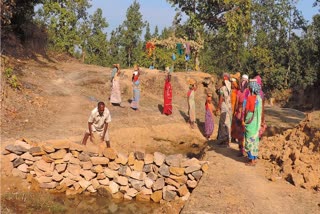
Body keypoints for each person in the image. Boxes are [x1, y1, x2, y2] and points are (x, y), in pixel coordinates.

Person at [244, 79, 262, 166]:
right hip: (256, 121)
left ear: (252, 89)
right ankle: (254, 158)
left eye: (250, 88)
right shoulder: (259, 99)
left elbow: (247, 110)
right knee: (255, 139)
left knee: (249, 139)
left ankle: (251, 161)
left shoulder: (250, 98)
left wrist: (244, 119)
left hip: (250, 120)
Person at [232, 74, 249, 156]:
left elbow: (236, 104)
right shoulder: (249, 92)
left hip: (239, 113)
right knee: (245, 132)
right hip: (246, 115)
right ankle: (245, 149)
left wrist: (235, 112)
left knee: (239, 132)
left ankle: (241, 149)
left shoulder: (239, 92)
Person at [216, 73, 232, 147]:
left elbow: (221, 99)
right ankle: (228, 141)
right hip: (229, 108)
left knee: (223, 124)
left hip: (224, 108)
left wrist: (217, 108)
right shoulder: (231, 88)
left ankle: (223, 140)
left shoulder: (222, 89)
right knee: (228, 123)